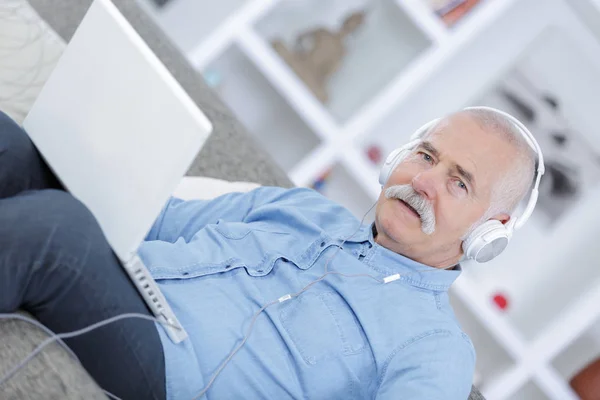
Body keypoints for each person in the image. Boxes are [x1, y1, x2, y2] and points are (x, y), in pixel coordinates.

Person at [0, 107, 536, 400]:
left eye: (458, 182)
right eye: (425, 155)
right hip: (131, 278)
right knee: (13, 143)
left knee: (56, 229)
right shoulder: (304, 209)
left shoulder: (436, 348)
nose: (422, 181)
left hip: (168, 369)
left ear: (492, 230)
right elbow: (153, 218)